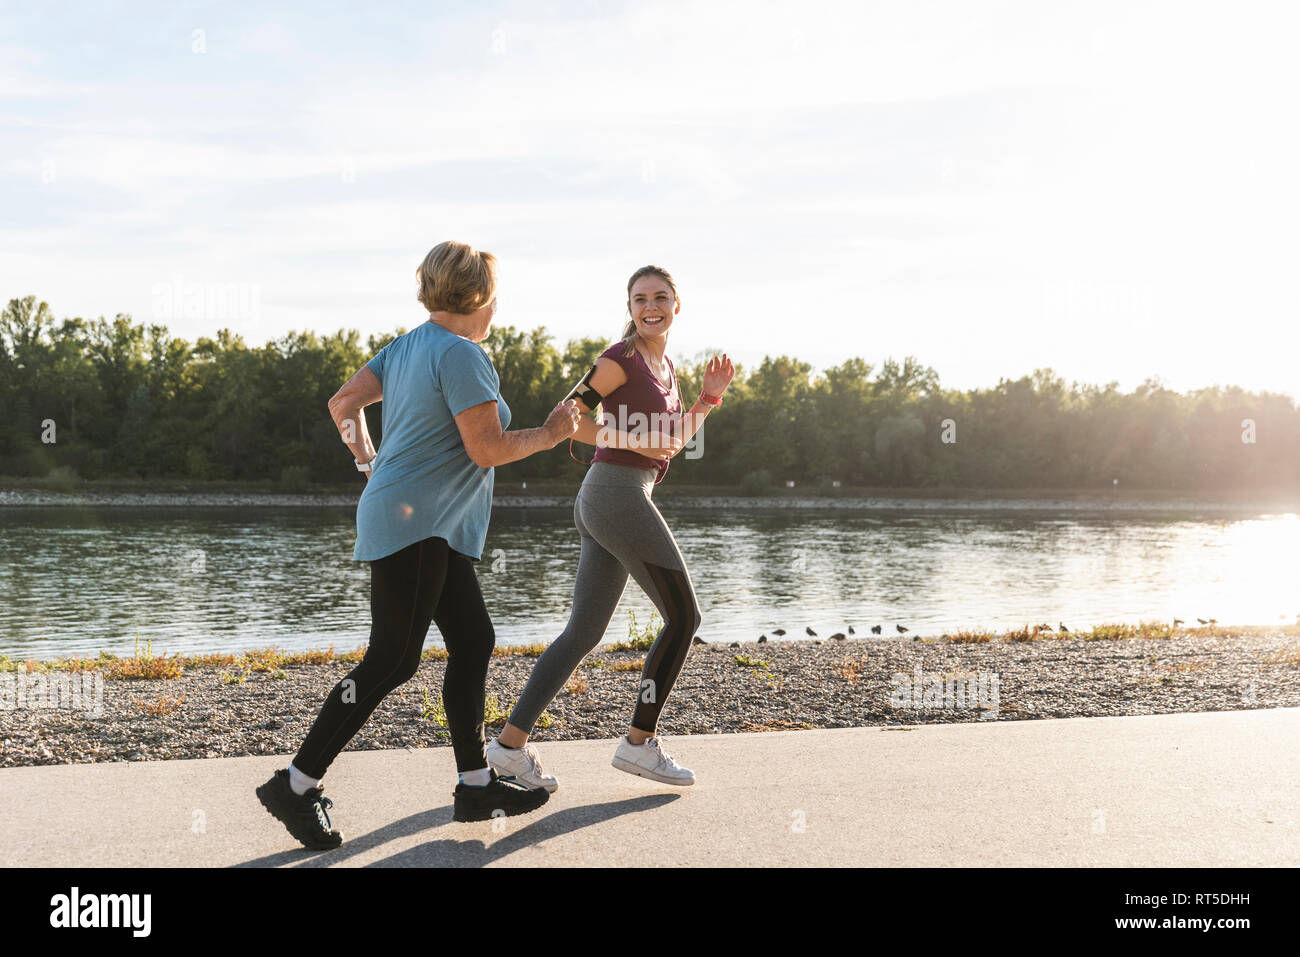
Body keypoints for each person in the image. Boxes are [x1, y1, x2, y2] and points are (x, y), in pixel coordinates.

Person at [257, 240, 582, 849]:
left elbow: (343, 403)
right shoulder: (462, 355)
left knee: (472, 640)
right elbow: (486, 449)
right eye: (495, 296)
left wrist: (367, 459)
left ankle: (475, 783)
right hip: (416, 524)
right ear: (480, 296)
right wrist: (553, 431)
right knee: (392, 660)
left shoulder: (404, 347)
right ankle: (295, 786)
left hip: (422, 522)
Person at [486, 264, 733, 790]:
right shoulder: (618, 359)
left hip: (615, 496)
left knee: (584, 631)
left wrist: (708, 399)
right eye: (641, 298)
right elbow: (570, 415)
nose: (651, 306)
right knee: (684, 616)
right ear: (629, 308)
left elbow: (674, 441)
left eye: (661, 297)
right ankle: (638, 743)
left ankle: (508, 748)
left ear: (676, 306)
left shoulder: (666, 368)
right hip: (613, 493)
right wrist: (636, 442)